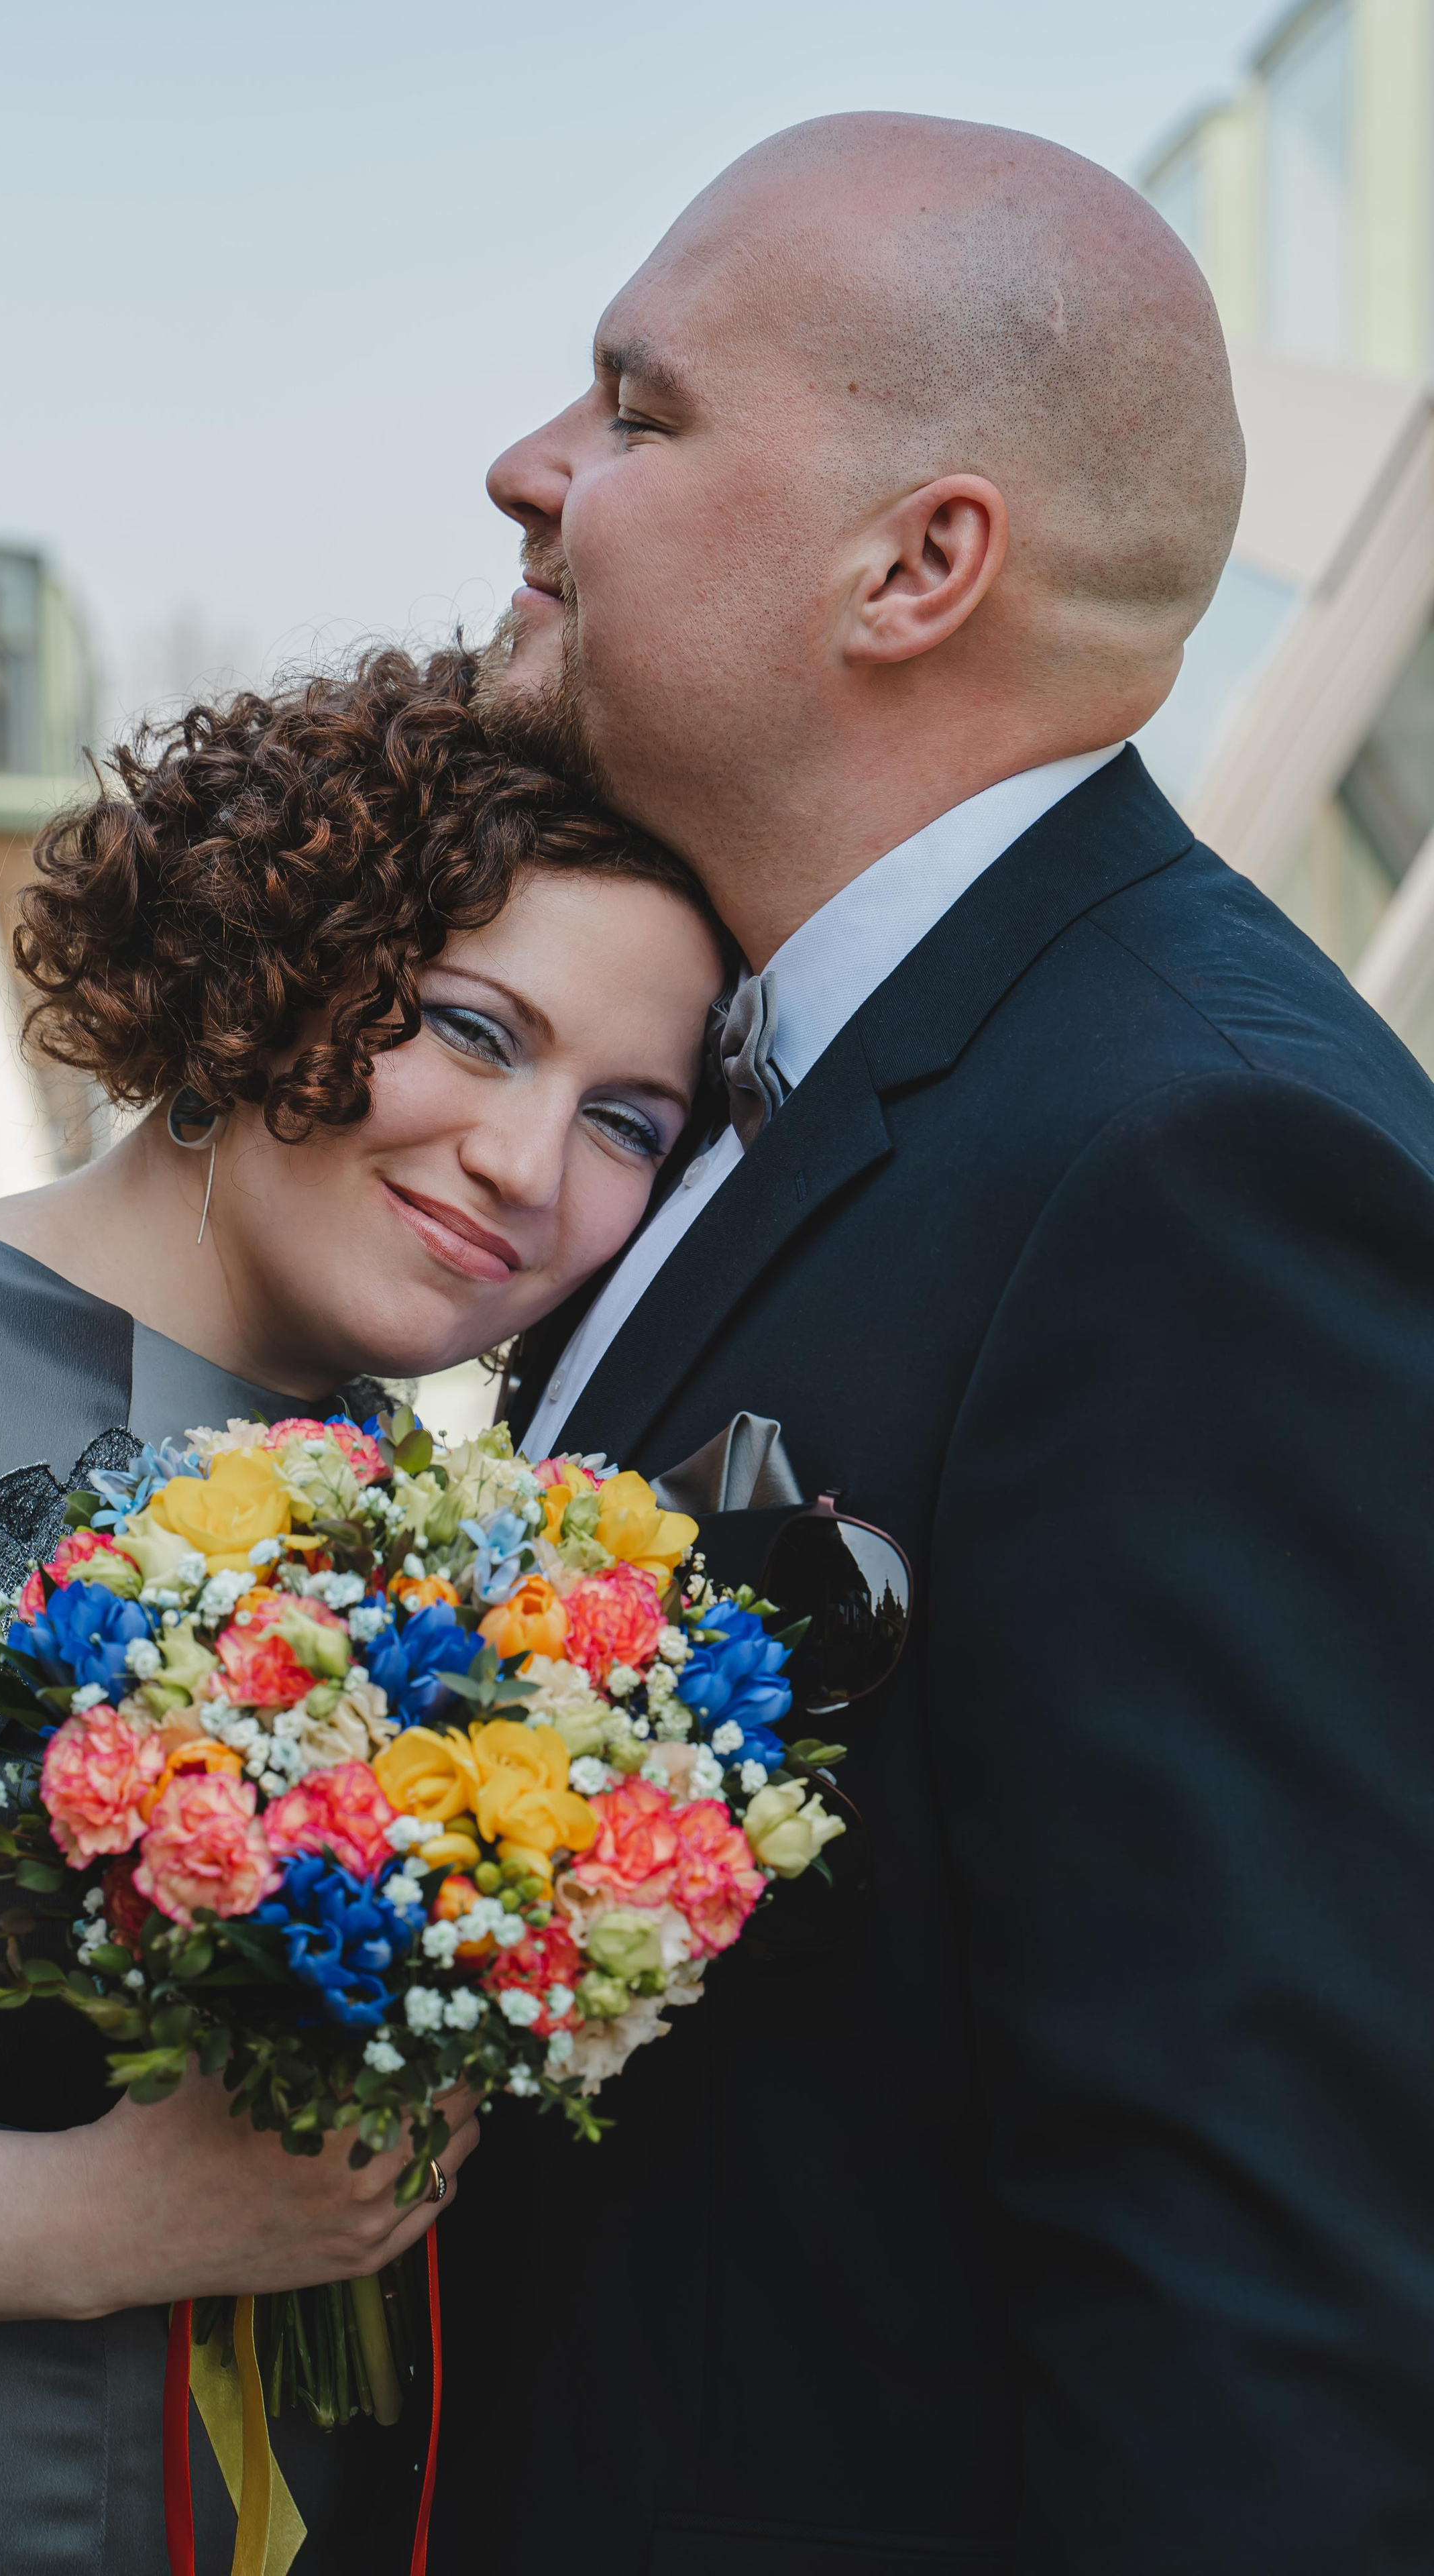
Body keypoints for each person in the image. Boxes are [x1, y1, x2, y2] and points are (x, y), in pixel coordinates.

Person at [433, 115, 1434, 2574]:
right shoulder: (804, 1080)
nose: (527, 471)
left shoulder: (1199, 1161)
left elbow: (1256, 2263)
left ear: (919, 566)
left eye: (640, 415)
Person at [0, 646, 726, 2576]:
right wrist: (124, 2223)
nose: (527, 1168)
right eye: (474, 1028)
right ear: (280, 954)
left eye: (631, 1122)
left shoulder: (383, 1485)